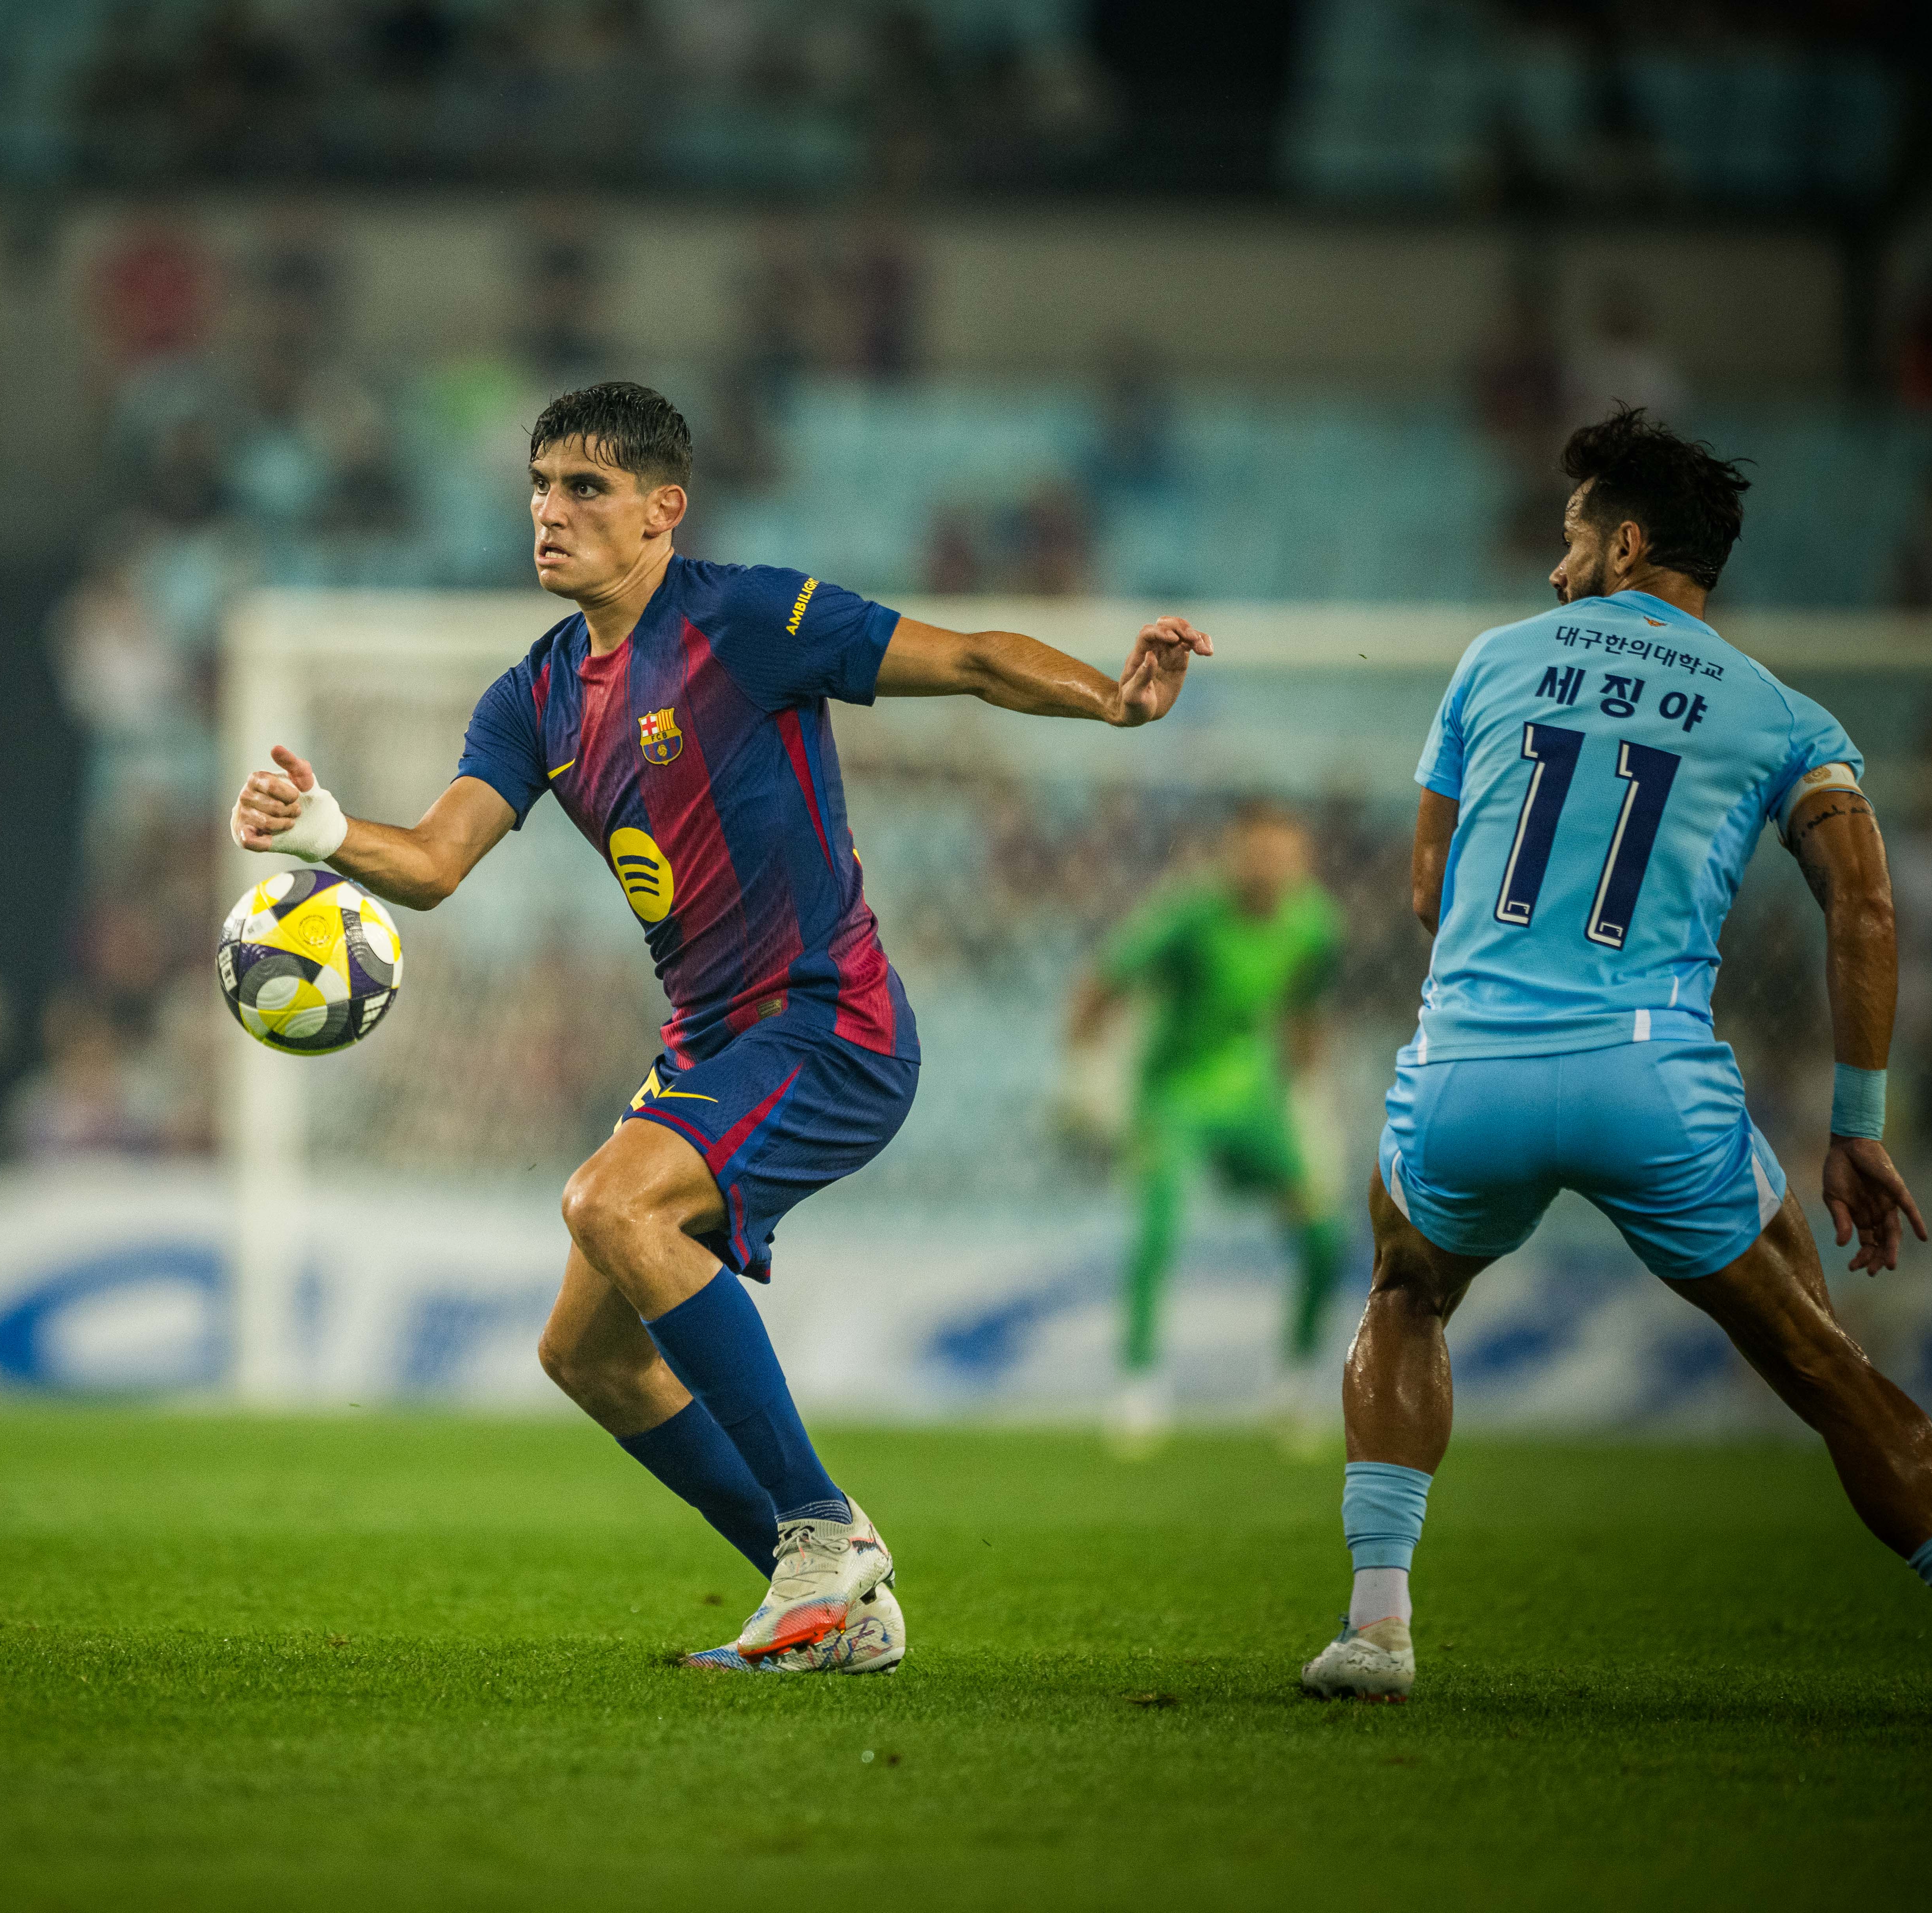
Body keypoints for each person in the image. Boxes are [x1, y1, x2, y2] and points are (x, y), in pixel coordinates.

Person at [233, 382, 1211, 1673]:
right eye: (539, 487)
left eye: (585, 488)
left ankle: (822, 1529)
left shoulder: (745, 621)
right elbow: (429, 862)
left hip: (829, 1025)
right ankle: (832, 1609)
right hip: (711, 1044)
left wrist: (1112, 701)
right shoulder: (534, 695)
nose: (549, 512)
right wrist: (321, 831)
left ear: (663, 510)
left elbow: (971, 657)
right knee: (583, 1355)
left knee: (610, 1204)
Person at [1299, 407, 1932, 1717]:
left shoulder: (1491, 662)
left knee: (1406, 1292)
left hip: (1468, 1068)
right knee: (1821, 1361)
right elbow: (1862, 904)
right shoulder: (1781, 715)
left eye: (1573, 540)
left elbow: (1426, 893)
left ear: (1625, 545)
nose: (1556, 566)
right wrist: (1856, 1124)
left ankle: (1376, 1628)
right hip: (1646, 1078)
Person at [1070, 802, 1344, 1453]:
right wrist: (1085, 1075)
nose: (1270, 868)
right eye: (1258, 853)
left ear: (1302, 862)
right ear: (1233, 855)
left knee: (1324, 1237)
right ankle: (1138, 1387)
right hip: (1174, 1097)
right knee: (1159, 1228)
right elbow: (1102, 983)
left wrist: (1309, 1104)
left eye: (1283, 856)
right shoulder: (1188, 916)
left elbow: (1304, 1011)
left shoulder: (1315, 926)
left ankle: (1294, 1385)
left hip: (1256, 1100)